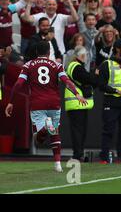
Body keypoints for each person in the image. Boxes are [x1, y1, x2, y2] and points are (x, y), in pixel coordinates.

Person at [5, 41, 87, 172]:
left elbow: (18, 84)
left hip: (37, 103)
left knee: (38, 139)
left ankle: (43, 129)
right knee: (55, 133)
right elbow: (67, 81)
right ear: (49, 52)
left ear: (36, 52)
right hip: (54, 103)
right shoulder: (57, 65)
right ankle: (58, 164)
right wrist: (77, 94)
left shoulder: (28, 65)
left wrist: (11, 102)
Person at [97, 39, 121, 164]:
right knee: (108, 131)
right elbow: (101, 85)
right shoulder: (106, 64)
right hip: (111, 102)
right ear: (117, 49)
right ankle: (104, 158)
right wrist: (117, 91)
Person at [64, 46, 97, 162]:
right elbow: (87, 79)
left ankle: (79, 153)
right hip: (76, 103)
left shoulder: (74, 66)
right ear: (81, 56)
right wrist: (96, 75)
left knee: (80, 131)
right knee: (78, 131)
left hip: (77, 103)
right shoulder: (75, 67)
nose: (86, 58)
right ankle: (77, 154)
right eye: (85, 55)